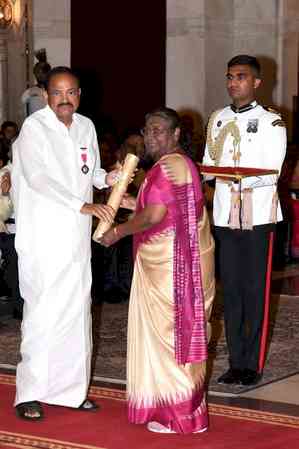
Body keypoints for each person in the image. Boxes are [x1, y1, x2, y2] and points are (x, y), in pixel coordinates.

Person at [12, 66, 119, 421]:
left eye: (71, 92)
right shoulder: (34, 129)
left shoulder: (86, 126)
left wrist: (111, 178)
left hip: (75, 238)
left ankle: (70, 392)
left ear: (79, 95)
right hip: (43, 236)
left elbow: (89, 173)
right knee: (43, 313)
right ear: (46, 95)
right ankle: (29, 392)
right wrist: (83, 204)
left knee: (76, 312)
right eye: (57, 92)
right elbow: (38, 178)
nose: (64, 99)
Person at [100, 107, 215, 434]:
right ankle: (188, 410)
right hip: (183, 261)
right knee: (182, 332)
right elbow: (161, 210)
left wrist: (118, 232)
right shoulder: (179, 164)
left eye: (159, 130)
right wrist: (128, 204)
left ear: (176, 134)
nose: (151, 137)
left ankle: (176, 413)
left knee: (169, 336)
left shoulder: (167, 167)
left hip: (169, 267)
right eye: (148, 130)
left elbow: (153, 217)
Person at [202, 55, 287, 386]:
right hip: (225, 215)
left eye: (241, 76)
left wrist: (237, 177)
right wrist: (216, 175)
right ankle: (236, 361)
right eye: (229, 76)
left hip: (259, 216)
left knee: (256, 291)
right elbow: (210, 165)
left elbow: (272, 170)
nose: (233, 82)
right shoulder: (218, 119)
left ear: (256, 83)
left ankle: (252, 363)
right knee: (232, 292)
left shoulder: (271, 122)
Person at [21, 48, 51, 117]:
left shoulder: (54, 91)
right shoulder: (30, 92)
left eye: (43, 72)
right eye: (38, 73)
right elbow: (23, 106)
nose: (40, 75)